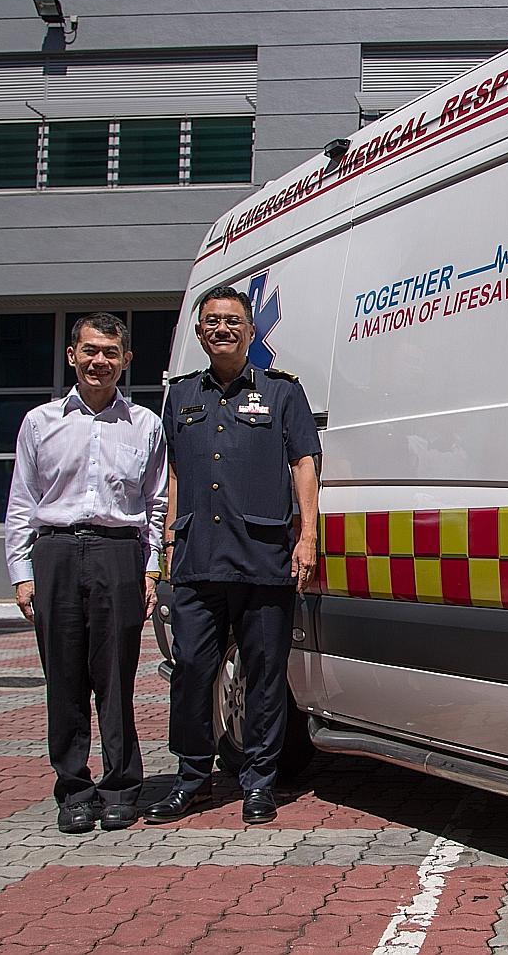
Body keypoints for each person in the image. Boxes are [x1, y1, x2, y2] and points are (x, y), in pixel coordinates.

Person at [145, 285, 320, 825]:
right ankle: (192, 777)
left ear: (251, 330)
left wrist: (307, 536)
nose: (223, 328)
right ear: (199, 333)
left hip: (264, 556)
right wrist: (169, 541)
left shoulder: (282, 393)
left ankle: (259, 782)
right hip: (198, 556)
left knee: (264, 674)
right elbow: (174, 474)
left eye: (233, 320)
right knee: (193, 668)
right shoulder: (180, 397)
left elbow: (305, 465)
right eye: (213, 321)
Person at [5, 313, 168, 834]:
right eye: (91, 351)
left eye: (111, 352)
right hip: (54, 554)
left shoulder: (145, 424)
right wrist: (21, 571)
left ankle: (122, 786)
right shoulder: (39, 422)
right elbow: (22, 502)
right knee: (65, 679)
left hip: (118, 554)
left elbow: (157, 502)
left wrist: (151, 567)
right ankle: (73, 788)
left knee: (116, 677)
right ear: (72, 355)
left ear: (126, 360)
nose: (101, 361)